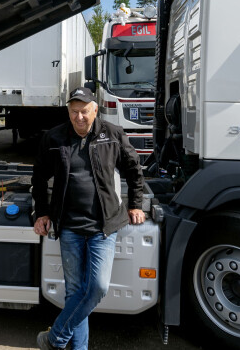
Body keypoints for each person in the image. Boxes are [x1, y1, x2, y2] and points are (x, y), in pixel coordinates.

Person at [32, 87, 146, 350]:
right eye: (74, 111)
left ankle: (54, 338)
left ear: (95, 109)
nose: (79, 116)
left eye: (84, 110)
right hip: (70, 227)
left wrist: (135, 205)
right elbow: (39, 177)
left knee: (96, 287)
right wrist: (42, 212)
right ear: (68, 112)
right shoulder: (55, 137)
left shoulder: (113, 134)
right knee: (75, 292)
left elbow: (134, 170)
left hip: (102, 227)